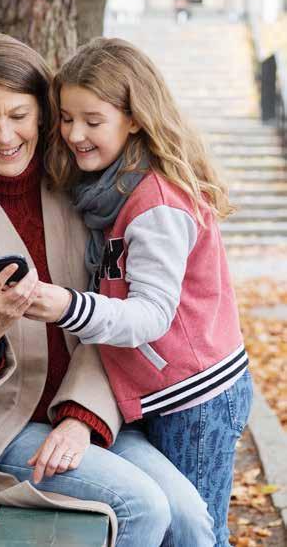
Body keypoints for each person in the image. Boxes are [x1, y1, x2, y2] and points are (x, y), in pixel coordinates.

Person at [0, 32, 215, 547]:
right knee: (141, 507)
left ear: (43, 115)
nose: (4, 136)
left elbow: (107, 318)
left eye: (18, 115)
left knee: (189, 519)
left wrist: (80, 419)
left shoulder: (73, 191)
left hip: (81, 408)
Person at [27, 37, 252, 546]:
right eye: (65, 117)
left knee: (197, 531)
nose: (74, 133)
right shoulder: (112, 189)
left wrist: (67, 306)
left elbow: (151, 316)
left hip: (194, 397)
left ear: (133, 118)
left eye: (92, 119)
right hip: (154, 391)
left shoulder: (154, 202)